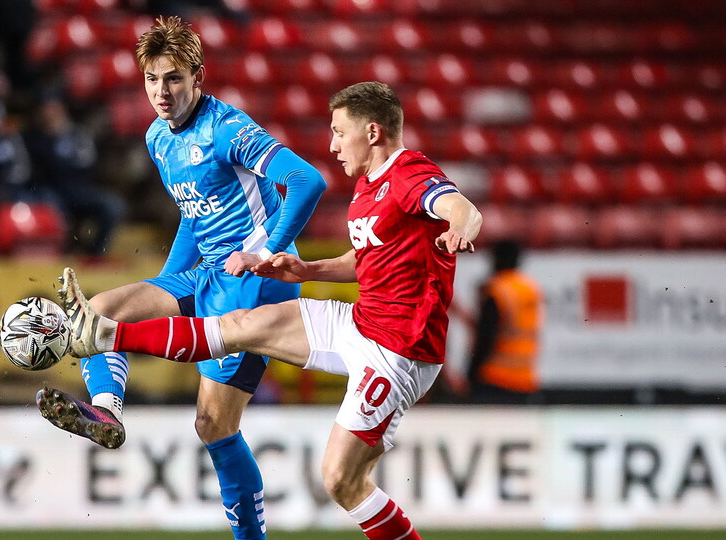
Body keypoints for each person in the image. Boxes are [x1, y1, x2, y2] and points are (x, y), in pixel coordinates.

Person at [54, 81, 482, 540]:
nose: (333, 145)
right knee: (240, 328)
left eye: (340, 132)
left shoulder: (410, 174)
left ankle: (104, 337)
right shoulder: (368, 188)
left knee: (342, 480)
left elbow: (463, 209)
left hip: (398, 351)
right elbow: (367, 259)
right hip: (358, 323)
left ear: (373, 132)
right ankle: (105, 339)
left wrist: (459, 228)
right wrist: (306, 268)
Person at [36, 16, 326, 540]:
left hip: (255, 285)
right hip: (209, 272)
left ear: (198, 76)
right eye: (151, 79)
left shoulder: (227, 129)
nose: (161, 92)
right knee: (100, 311)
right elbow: (195, 219)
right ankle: (106, 414)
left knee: (214, 421)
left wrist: (262, 251)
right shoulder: (157, 139)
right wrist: (165, 287)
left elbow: (307, 182)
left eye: (173, 78)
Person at [23, 90, 125, 255]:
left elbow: (87, 165)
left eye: (54, 109)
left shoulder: (77, 135)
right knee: (52, 208)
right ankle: (62, 252)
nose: (50, 114)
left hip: (78, 190)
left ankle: (95, 254)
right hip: (47, 191)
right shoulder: (30, 138)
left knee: (112, 206)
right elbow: (32, 171)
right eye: (46, 109)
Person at [465, 239, 544, 405]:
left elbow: (485, 338)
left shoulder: (496, 290)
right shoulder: (531, 288)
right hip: (525, 377)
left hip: (495, 378)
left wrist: (471, 375)